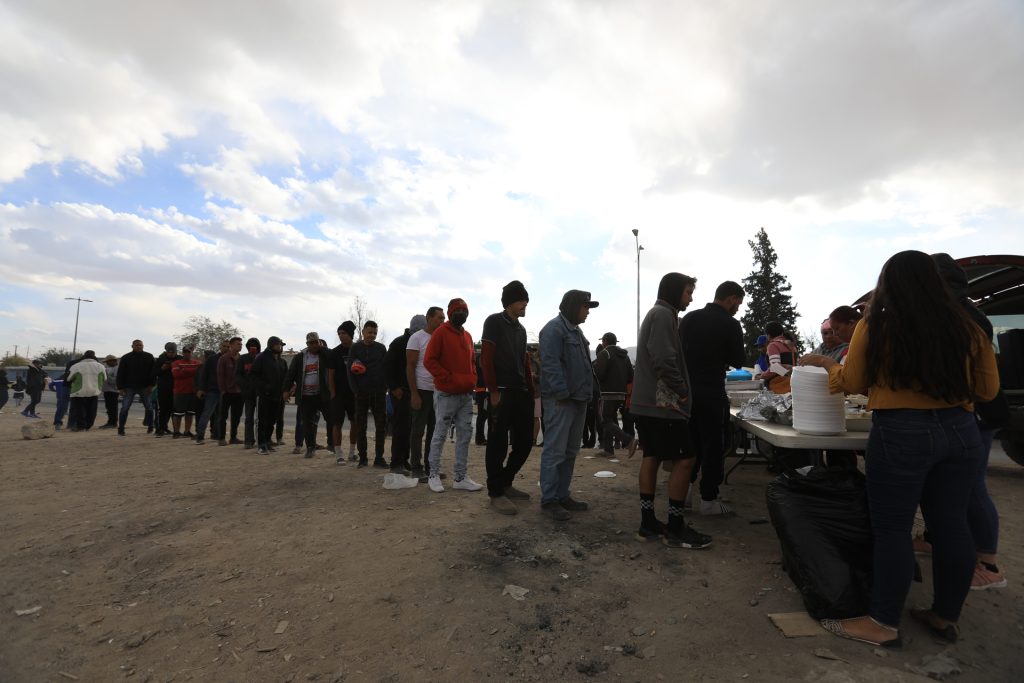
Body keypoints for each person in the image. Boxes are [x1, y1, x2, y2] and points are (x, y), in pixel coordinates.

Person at [800, 250, 998, 648]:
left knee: (892, 529)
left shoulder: (878, 325)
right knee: (952, 525)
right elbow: (988, 390)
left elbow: (853, 380)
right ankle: (944, 616)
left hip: (902, 432)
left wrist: (827, 365)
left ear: (887, 284)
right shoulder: (965, 325)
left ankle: (883, 623)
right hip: (961, 432)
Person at [931, 253, 1008, 590]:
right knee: (948, 483)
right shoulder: (960, 310)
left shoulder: (965, 316)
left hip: (976, 411)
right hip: (968, 411)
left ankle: (988, 565)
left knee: (973, 485)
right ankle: (935, 539)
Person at [631, 273, 711, 549]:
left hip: (648, 404)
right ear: (676, 291)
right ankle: (675, 527)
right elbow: (663, 358)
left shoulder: (658, 314)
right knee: (686, 459)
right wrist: (683, 390)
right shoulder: (664, 315)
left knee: (651, 456)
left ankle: (648, 522)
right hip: (663, 404)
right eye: (688, 292)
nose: (691, 297)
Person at [679, 280, 746, 516]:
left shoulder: (689, 319)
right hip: (711, 392)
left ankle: (684, 493)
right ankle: (709, 499)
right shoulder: (730, 323)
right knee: (713, 445)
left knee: (691, 444)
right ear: (731, 299)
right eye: (738, 302)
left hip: (686, 393)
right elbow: (739, 359)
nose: (738, 307)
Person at [537, 290, 599, 521]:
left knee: (570, 451)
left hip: (578, 399)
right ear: (573, 306)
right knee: (555, 451)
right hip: (562, 400)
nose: (588, 312)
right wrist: (562, 393)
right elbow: (550, 364)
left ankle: (562, 495)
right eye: (585, 307)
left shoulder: (575, 331)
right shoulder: (554, 329)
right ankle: (550, 499)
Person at [481, 280, 536, 515]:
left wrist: (531, 390)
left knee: (524, 442)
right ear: (510, 302)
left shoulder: (521, 330)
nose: (525, 304)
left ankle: (506, 482)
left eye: (526, 301)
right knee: (497, 443)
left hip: (520, 391)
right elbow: (486, 359)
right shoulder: (494, 322)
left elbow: (524, 362)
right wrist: (493, 390)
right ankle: (496, 493)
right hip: (501, 390)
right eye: (521, 300)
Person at [423, 298, 484, 493]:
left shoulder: (467, 336)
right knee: (439, 434)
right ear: (450, 313)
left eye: (464, 311)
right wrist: (447, 378)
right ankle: (433, 474)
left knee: (465, 435)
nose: (462, 314)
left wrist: (472, 378)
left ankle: (460, 477)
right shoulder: (441, 332)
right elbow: (429, 360)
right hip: (446, 393)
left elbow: (473, 361)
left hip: (466, 394)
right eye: (457, 311)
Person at [283, 332, 334, 458]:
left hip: (322, 394)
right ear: (307, 344)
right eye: (311, 343)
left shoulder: (324, 355)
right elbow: (291, 374)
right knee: (306, 423)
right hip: (306, 396)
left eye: (316, 342)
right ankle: (310, 447)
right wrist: (285, 390)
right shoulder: (300, 357)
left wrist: (323, 348)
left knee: (331, 419)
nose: (314, 345)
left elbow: (333, 359)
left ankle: (332, 445)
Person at [407, 307, 443, 478]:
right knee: (418, 430)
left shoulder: (441, 338)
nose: (442, 321)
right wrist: (414, 393)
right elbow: (410, 366)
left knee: (435, 432)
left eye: (443, 318)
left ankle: (431, 467)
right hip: (422, 390)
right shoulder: (417, 338)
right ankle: (415, 467)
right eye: (439, 318)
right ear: (429, 318)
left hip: (438, 391)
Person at [349, 321, 389, 468]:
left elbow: (386, 367)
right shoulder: (355, 348)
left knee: (381, 426)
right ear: (363, 332)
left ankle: (379, 458)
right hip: (361, 393)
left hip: (379, 392)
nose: (372, 335)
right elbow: (350, 371)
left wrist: (385, 387)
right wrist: (356, 390)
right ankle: (363, 458)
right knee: (361, 426)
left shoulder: (381, 348)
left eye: (374, 333)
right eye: (369, 332)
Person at [593, 331, 635, 458]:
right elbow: (630, 376)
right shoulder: (625, 356)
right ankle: (608, 450)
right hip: (621, 394)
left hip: (608, 393)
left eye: (602, 341)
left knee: (605, 420)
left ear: (605, 342)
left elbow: (599, 374)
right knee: (610, 419)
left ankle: (628, 440)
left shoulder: (604, 353)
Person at [386, 318, 420, 473]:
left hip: (413, 390)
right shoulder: (399, 343)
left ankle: (404, 461)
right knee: (400, 428)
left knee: (410, 428)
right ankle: (396, 463)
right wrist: (393, 388)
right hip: (401, 391)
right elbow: (387, 366)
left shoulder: (418, 341)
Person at [251, 336, 287, 455]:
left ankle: (267, 442)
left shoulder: (281, 361)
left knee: (272, 421)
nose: (280, 347)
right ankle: (261, 445)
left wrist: (286, 390)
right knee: (262, 421)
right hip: (264, 395)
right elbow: (253, 376)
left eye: (281, 345)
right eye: (278, 344)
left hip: (278, 396)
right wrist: (265, 387)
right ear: (271, 345)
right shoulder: (261, 357)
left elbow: (286, 378)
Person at [327, 322, 357, 464]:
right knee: (337, 424)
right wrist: (332, 393)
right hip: (338, 394)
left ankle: (352, 452)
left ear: (350, 334)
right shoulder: (334, 352)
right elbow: (330, 374)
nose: (341, 336)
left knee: (355, 423)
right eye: (339, 334)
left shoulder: (357, 349)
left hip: (354, 393)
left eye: (343, 333)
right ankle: (339, 454)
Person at [116, 340, 155, 435]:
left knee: (149, 408)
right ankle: (121, 428)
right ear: (132, 346)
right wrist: (120, 387)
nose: (138, 347)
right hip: (129, 386)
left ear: (143, 346)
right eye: (136, 345)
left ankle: (150, 426)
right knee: (124, 408)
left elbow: (153, 372)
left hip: (145, 386)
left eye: (140, 345)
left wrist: (152, 385)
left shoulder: (149, 356)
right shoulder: (126, 357)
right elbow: (120, 373)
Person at [194, 341, 228, 445]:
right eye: (224, 346)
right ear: (220, 347)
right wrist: (201, 388)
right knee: (207, 413)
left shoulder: (231, 359)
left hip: (225, 391)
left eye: (228, 346)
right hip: (213, 390)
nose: (226, 348)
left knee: (221, 415)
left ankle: (217, 435)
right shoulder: (212, 359)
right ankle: (200, 436)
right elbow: (204, 375)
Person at [213, 337, 244, 446]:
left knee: (236, 416)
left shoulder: (241, 359)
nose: (240, 346)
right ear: (231, 345)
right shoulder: (224, 359)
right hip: (227, 392)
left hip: (239, 392)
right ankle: (221, 438)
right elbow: (220, 375)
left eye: (241, 344)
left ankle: (233, 437)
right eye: (237, 344)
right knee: (223, 416)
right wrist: (222, 390)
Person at [67, 350, 106, 430]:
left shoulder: (76, 366)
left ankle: (81, 426)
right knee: (91, 410)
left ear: (84, 356)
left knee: (80, 410)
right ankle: (88, 425)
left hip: (79, 391)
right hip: (94, 391)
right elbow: (104, 378)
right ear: (94, 356)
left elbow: (68, 378)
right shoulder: (101, 366)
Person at [235, 338, 262, 449]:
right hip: (248, 394)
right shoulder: (242, 359)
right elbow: (238, 375)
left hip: (260, 393)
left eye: (255, 345)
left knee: (261, 419)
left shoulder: (262, 358)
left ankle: (262, 440)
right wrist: (245, 387)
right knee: (249, 418)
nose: (253, 347)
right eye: (250, 345)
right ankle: (249, 441)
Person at [171, 346, 201, 438]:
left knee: (190, 413)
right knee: (178, 413)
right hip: (180, 391)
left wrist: (184, 370)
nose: (187, 353)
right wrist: (192, 371)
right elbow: (176, 374)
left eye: (189, 351)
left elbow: (199, 372)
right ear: (182, 352)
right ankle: (176, 432)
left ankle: (187, 431)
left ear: (192, 352)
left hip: (192, 391)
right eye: (185, 352)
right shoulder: (176, 362)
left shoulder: (197, 362)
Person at [153, 342, 181, 437]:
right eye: (169, 352)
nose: (171, 354)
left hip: (176, 388)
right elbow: (155, 373)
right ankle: (160, 428)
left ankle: (175, 430)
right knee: (163, 409)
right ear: (166, 351)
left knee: (174, 410)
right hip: (163, 388)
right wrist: (162, 369)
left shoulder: (180, 359)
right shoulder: (160, 359)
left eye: (173, 352)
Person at [99, 355, 119, 428]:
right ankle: (110, 422)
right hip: (108, 391)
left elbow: (115, 381)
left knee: (112, 408)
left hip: (113, 391)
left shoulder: (117, 369)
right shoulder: (110, 368)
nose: (106, 363)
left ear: (113, 361)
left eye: (107, 362)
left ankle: (113, 423)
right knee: (109, 408)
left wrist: (106, 375)